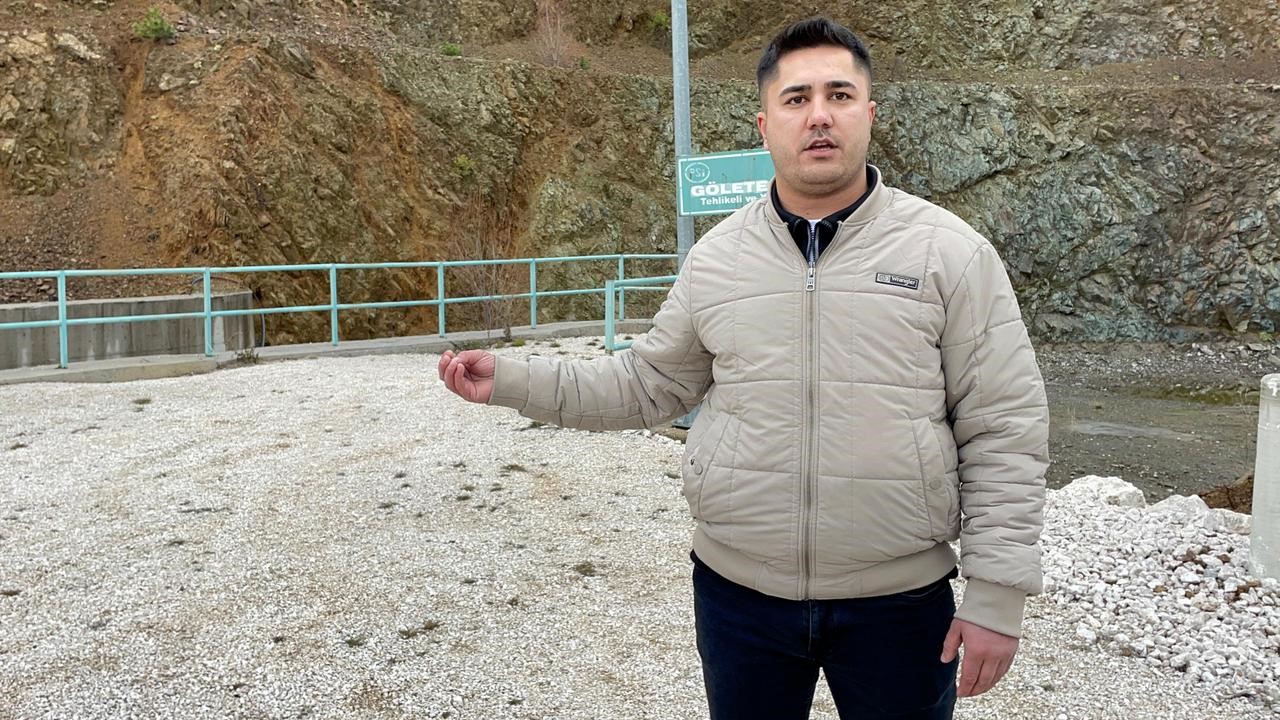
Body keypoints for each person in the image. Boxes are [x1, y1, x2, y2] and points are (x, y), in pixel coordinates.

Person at [438, 16, 1049, 720]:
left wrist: (996, 596)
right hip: (739, 602)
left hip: (900, 605)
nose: (819, 115)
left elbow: (1003, 426)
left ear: (870, 114)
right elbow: (648, 383)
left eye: (839, 95)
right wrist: (512, 380)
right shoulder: (718, 259)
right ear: (765, 125)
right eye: (796, 99)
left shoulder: (951, 253)